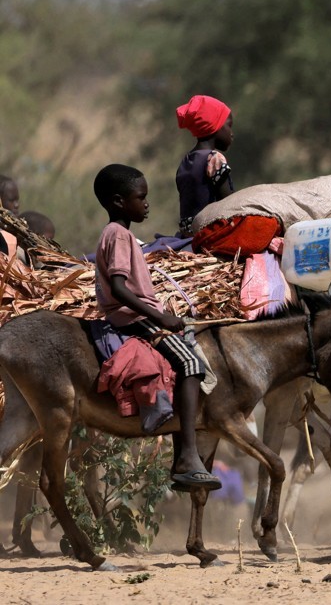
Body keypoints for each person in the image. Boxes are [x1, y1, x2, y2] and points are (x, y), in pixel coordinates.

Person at [93, 164, 220, 490]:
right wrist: (161, 318)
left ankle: (184, 456)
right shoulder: (119, 235)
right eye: (141, 197)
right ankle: (189, 455)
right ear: (119, 202)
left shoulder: (116, 234)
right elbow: (120, 289)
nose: (146, 204)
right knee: (192, 363)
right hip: (135, 319)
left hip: (139, 315)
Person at [176, 94, 235, 237]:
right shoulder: (214, 158)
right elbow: (230, 204)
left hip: (186, 233)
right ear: (216, 127)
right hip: (208, 231)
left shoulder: (186, 161)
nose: (232, 134)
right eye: (229, 126)